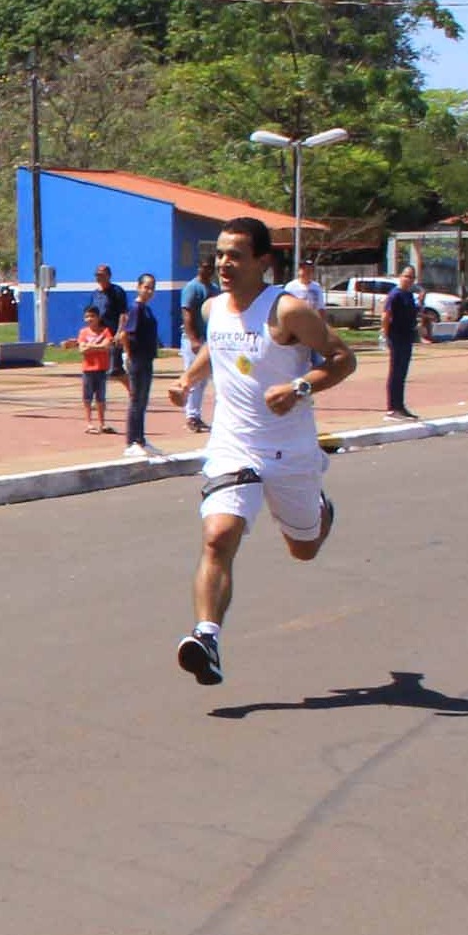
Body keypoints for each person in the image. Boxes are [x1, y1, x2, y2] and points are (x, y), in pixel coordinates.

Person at [167, 216, 357, 686]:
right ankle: (206, 637)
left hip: (289, 451)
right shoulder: (214, 309)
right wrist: (190, 379)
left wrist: (299, 387)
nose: (224, 263)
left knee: (304, 549)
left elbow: (342, 358)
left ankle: (318, 508)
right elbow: (218, 346)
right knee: (218, 537)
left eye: (236, 255)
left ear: (262, 262)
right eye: (220, 254)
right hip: (234, 445)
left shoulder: (288, 311)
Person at [119, 272, 161, 457]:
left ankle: (141, 439)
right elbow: (125, 334)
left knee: (143, 400)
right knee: (136, 400)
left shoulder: (147, 309)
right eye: (146, 287)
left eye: (152, 287)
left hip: (147, 358)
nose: (149, 290)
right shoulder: (136, 309)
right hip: (137, 359)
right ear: (138, 287)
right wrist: (128, 356)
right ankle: (131, 442)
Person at [179, 253, 217, 432]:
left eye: (211, 267)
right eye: (205, 266)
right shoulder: (192, 288)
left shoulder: (215, 288)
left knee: (203, 380)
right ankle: (190, 416)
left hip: (209, 339)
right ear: (199, 267)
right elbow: (187, 314)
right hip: (193, 339)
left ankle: (196, 415)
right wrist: (193, 338)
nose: (208, 270)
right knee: (193, 378)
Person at [382, 265, 421, 421]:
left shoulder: (409, 296)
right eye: (406, 276)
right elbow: (386, 315)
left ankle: (400, 406)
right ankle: (392, 408)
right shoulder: (395, 294)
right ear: (400, 277)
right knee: (396, 372)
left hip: (407, 337)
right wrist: (385, 335)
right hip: (396, 337)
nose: (409, 280)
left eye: (412, 277)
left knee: (402, 373)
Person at [72, 306, 114, 434]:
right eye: (87, 317)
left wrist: (91, 346)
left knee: (101, 398)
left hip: (101, 369)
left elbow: (106, 346)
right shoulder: (83, 332)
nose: (89, 319)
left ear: (98, 317)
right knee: (87, 397)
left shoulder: (105, 331)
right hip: (88, 369)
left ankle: (102, 423)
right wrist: (96, 347)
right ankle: (89, 423)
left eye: (92, 316)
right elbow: (82, 349)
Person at [87, 264, 129, 383]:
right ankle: (99, 397)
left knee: (115, 369)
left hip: (113, 334)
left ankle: (132, 391)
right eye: (97, 275)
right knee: (98, 368)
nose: (99, 278)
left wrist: (119, 332)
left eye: (101, 275)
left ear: (109, 276)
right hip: (99, 335)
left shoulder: (117, 291)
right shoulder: (95, 294)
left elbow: (123, 313)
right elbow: (91, 314)